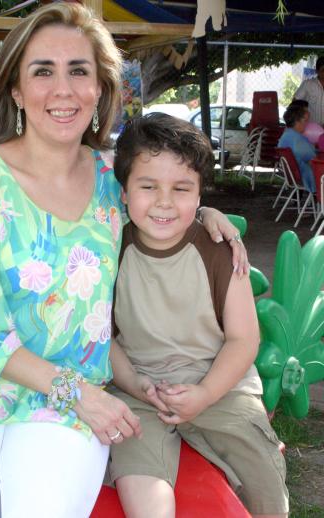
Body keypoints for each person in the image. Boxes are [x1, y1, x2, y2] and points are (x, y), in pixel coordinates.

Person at [0, 3, 248, 518]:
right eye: (42, 71)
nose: (63, 89)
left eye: (79, 71)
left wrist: (207, 212)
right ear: (15, 89)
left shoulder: (111, 181)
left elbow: (163, 200)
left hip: (66, 409)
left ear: (99, 89)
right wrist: (80, 392)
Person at [107, 113, 289, 518]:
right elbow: (102, 336)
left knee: (266, 488)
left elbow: (244, 340)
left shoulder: (219, 250)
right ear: (123, 191)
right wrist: (136, 385)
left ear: (200, 193)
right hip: (140, 391)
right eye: (148, 186)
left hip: (221, 387)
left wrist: (205, 394)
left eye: (182, 188)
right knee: (142, 488)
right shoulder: (108, 251)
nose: (164, 201)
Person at [278, 103, 316, 192]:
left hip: (294, 177)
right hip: (307, 177)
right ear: (298, 121)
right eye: (306, 120)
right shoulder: (298, 139)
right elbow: (313, 161)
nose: (308, 124)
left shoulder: (286, 136)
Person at [293, 56, 324, 126]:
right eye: (323, 70)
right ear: (317, 71)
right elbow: (295, 102)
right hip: (311, 128)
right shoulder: (308, 84)